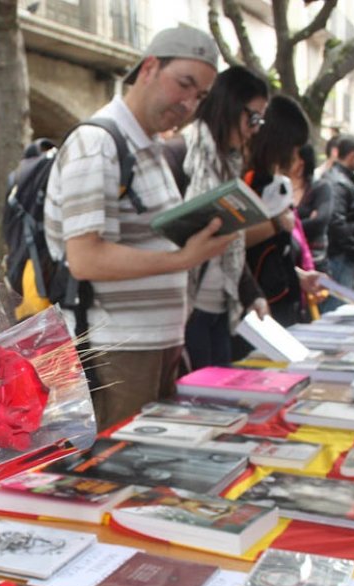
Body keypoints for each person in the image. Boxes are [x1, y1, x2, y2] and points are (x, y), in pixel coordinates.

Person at [43, 26, 237, 430]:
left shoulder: (148, 147)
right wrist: (182, 259)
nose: (188, 103)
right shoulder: (97, 143)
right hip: (118, 348)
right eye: (184, 84)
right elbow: (85, 258)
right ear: (148, 68)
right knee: (121, 473)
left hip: (152, 343)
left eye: (199, 96)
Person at [180, 65, 271, 370]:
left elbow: (230, 240)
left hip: (221, 305)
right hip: (186, 309)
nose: (255, 129)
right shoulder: (182, 153)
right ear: (231, 105)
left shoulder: (229, 165)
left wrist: (252, 294)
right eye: (253, 117)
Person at [243, 95, 324, 328]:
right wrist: (276, 224)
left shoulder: (272, 182)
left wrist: (298, 275)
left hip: (281, 301)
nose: (297, 159)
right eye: (294, 149)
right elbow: (234, 242)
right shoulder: (248, 180)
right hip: (258, 309)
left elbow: (274, 252)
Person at [323, 134, 354, 291]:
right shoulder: (339, 183)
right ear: (352, 155)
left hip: (341, 253)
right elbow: (336, 222)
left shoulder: (340, 179)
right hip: (340, 256)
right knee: (338, 305)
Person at [292, 143, 333, 272]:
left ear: (301, 163)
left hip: (315, 260)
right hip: (289, 257)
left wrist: (290, 226)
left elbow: (320, 220)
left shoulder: (320, 187)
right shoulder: (279, 186)